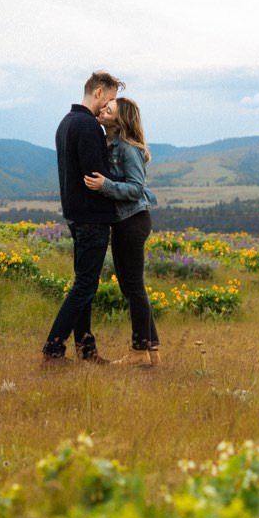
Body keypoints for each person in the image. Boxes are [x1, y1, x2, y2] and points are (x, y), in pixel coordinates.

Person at [42, 70, 123, 363]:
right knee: (85, 285)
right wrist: (123, 180)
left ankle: (86, 349)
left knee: (84, 283)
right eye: (111, 99)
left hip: (76, 215)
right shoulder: (89, 127)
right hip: (92, 216)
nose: (110, 106)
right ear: (98, 92)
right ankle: (53, 346)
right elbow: (96, 174)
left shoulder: (66, 123)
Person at [85, 96, 160, 365]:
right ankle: (152, 351)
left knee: (133, 286)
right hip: (126, 221)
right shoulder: (110, 143)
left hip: (133, 220)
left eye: (110, 109)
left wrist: (105, 185)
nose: (103, 109)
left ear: (121, 119)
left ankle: (139, 351)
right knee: (132, 287)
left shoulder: (127, 148)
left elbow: (136, 188)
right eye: (104, 106)